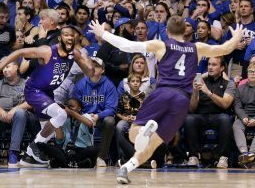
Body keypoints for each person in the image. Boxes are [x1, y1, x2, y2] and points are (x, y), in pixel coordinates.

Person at [89, 16, 243, 184]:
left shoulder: (161, 45)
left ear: (167, 31)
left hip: (162, 93)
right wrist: (236, 36)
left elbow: (127, 45)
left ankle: (142, 133)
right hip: (182, 100)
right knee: (154, 143)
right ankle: (127, 167)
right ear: (185, 30)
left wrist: (102, 33)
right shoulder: (197, 47)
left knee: (134, 135)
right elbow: (225, 49)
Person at [0, 25, 94, 167]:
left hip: (48, 93)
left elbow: (90, 73)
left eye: (72, 37)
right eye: (66, 36)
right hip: (34, 90)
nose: (69, 38)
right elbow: (20, 52)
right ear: (60, 38)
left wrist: (88, 60)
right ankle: (33, 148)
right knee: (61, 115)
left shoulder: (75, 54)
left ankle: (29, 158)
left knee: (52, 125)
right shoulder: (47, 51)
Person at [0, 59, 37, 167]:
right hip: (1, 116)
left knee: (20, 112)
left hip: (20, 118)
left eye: (7, 66)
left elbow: (30, 103)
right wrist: (0, 111)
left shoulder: (26, 83)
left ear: (16, 67)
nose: (4, 70)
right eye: (3, 68)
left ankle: (13, 152)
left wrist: (14, 109)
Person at [72, 57, 118, 167]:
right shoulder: (80, 85)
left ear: (102, 70)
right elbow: (74, 106)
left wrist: (98, 116)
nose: (93, 68)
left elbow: (111, 109)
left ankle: (101, 157)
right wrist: (84, 116)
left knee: (110, 121)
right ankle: (75, 155)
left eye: (96, 66)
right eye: (91, 66)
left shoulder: (109, 85)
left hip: (100, 119)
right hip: (84, 117)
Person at [233, 62, 255, 167]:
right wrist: (243, 117)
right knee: (236, 125)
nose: (253, 73)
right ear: (247, 73)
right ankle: (244, 153)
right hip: (245, 117)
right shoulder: (240, 89)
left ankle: (252, 153)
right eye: (250, 71)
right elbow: (237, 106)